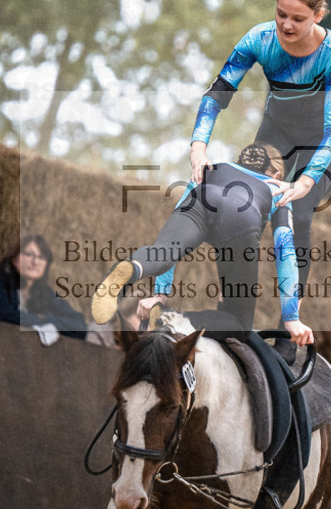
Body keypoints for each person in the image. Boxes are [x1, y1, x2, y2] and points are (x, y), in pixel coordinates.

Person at [188, 0, 331, 296]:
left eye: (298, 18)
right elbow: (217, 94)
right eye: (281, 14)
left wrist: (306, 180)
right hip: (278, 126)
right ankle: (234, 303)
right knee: (243, 202)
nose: (287, 25)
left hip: (322, 136)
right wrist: (198, 146)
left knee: (298, 213)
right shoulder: (259, 39)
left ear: (318, 16)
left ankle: (289, 325)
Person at [92, 143, 313, 357]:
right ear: (276, 175)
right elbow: (286, 252)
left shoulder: (211, 169)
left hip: (201, 199)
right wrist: (290, 317)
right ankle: (169, 320)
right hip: (241, 220)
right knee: (238, 323)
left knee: (163, 252)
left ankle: (129, 269)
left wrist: (161, 293)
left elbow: (171, 238)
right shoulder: (279, 190)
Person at [0, 233, 88, 346]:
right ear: (15, 259)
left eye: (41, 257)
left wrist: (48, 321)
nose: (35, 262)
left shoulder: (46, 294)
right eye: (29, 254)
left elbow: (79, 325)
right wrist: (42, 321)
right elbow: (0, 314)